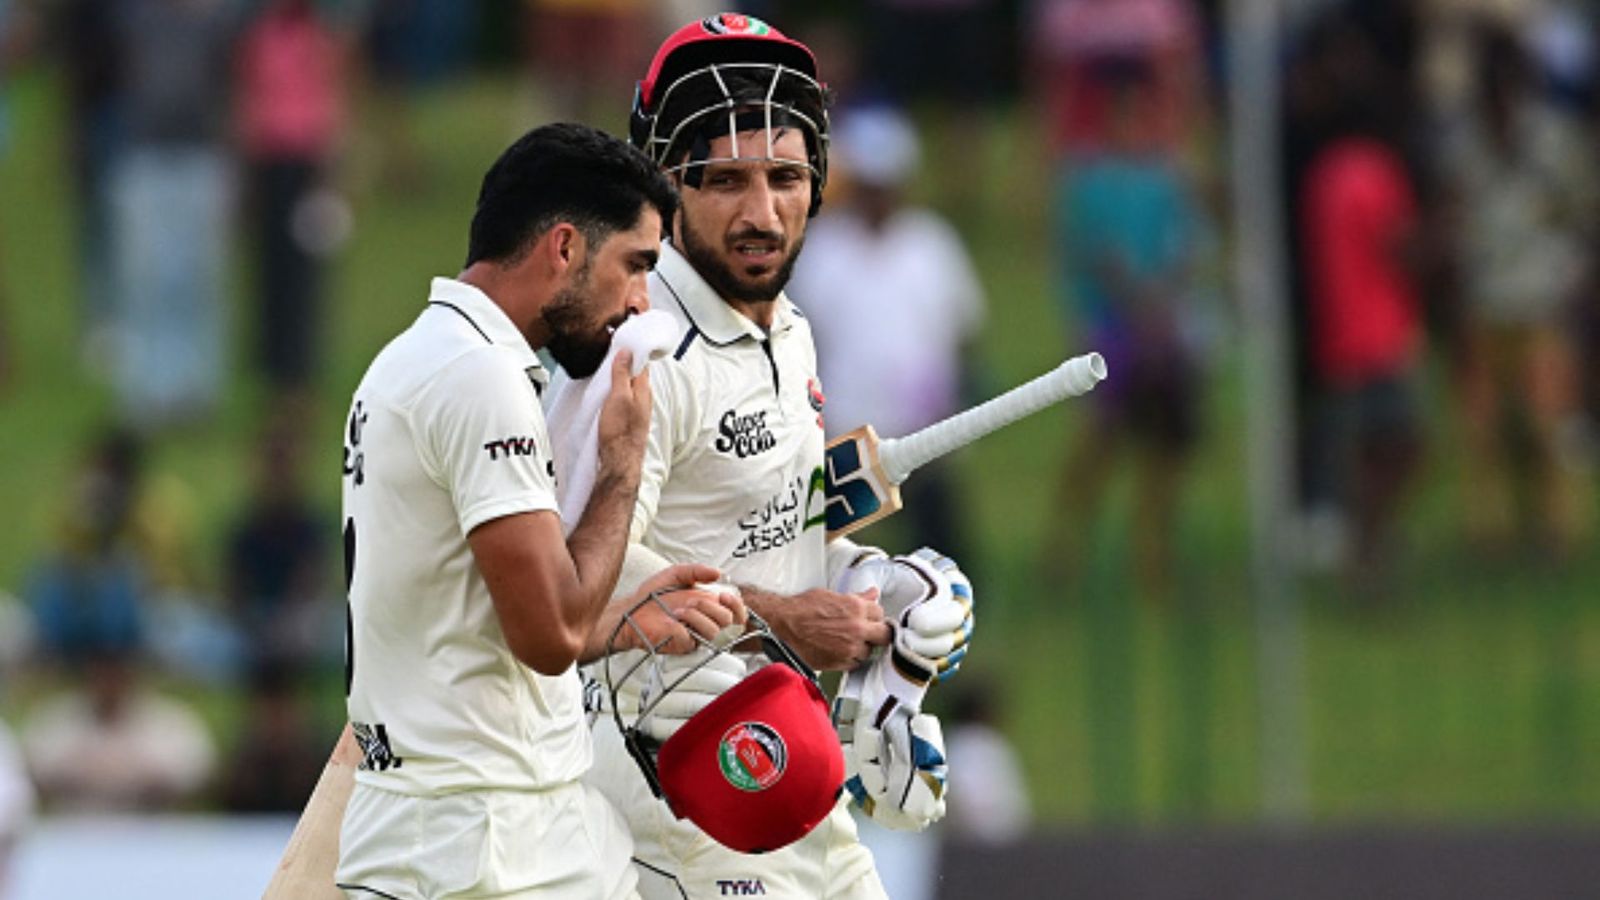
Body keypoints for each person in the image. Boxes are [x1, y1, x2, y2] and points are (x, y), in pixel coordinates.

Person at [579, 15, 977, 899]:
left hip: (797, 768)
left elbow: (771, 524)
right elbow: (584, 577)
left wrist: (876, 585)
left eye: (786, 178)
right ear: (664, 187)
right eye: (725, 181)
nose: (762, 214)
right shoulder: (637, 348)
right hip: (679, 789)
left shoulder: (788, 330)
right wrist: (783, 619)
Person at [335, 122, 745, 900]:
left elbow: (478, 613)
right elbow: (548, 634)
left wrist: (616, 621)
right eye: (635, 264)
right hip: (480, 844)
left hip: (479, 826)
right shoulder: (478, 378)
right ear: (564, 248)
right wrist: (620, 468)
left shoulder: (415, 359)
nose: (640, 301)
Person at [790, 104, 987, 563]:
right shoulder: (823, 250)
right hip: (847, 426)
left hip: (925, 423)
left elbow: (962, 327)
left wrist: (953, 390)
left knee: (941, 548)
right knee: (836, 555)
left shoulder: (931, 244)